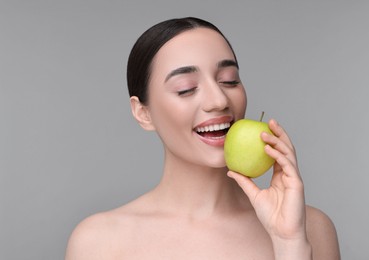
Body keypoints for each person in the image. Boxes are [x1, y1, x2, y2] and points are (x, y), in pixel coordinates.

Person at [65, 17, 340, 259]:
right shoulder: (98, 242)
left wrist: (289, 243)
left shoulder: (310, 229)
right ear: (143, 113)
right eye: (186, 89)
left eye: (229, 80)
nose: (219, 100)